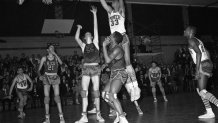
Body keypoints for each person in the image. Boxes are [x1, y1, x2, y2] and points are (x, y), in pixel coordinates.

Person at [100, 0, 143, 116]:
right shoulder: (110, 12)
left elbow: (121, 3)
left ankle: (136, 88)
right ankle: (116, 107)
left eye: (116, 2)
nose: (114, 4)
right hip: (113, 40)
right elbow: (104, 4)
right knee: (117, 62)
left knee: (128, 62)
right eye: (113, 3)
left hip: (122, 37)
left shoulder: (121, 12)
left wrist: (120, 2)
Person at [74, 6, 105, 123]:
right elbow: (76, 37)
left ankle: (98, 114)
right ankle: (84, 116)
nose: (87, 34)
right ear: (85, 37)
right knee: (84, 92)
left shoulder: (96, 43)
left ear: (91, 36)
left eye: (89, 33)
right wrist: (79, 28)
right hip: (86, 68)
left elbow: (96, 28)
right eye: (85, 33)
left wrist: (95, 14)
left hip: (95, 68)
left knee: (96, 92)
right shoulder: (83, 46)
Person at [184, 26, 218, 119]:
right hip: (206, 62)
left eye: (185, 30)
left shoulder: (191, 40)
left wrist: (197, 70)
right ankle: (209, 112)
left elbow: (199, 53)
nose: (184, 31)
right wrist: (209, 62)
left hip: (202, 64)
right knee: (200, 90)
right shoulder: (198, 40)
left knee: (202, 91)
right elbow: (206, 51)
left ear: (190, 32)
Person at [102, 31, 129, 123]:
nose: (108, 36)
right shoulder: (112, 47)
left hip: (120, 73)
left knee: (112, 95)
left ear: (114, 39)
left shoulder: (118, 48)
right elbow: (110, 61)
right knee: (104, 95)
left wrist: (103, 46)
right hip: (114, 74)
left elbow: (108, 59)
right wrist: (103, 66)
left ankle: (123, 118)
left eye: (110, 36)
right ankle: (120, 112)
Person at [37, 45, 65, 123]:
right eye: (51, 48)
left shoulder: (56, 58)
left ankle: (61, 117)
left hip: (55, 77)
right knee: (46, 98)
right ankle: (47, 118)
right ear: (47, 50)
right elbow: (38, 70)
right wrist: (40, 76)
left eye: (53, 48)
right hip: (46, 77)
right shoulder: (44, 58)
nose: (52, 49)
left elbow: (62, 64)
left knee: (57, 97)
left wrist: (55, 54)